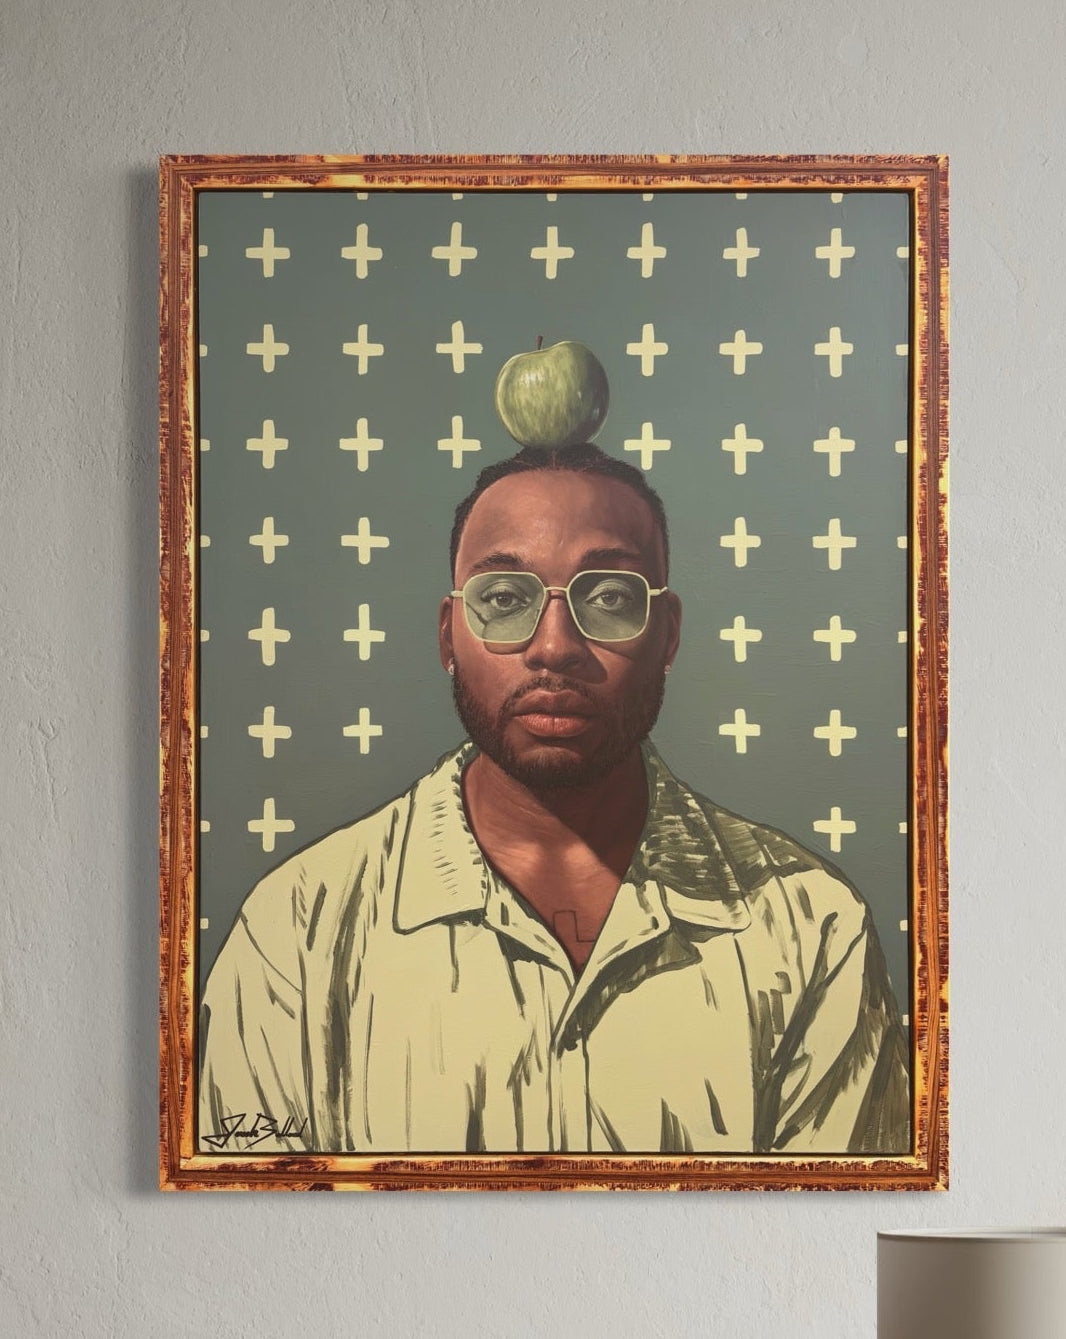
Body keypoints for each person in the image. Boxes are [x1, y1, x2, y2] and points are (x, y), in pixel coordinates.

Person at [199, 444, 909, 1156]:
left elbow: (815, 1245)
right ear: (449, 635)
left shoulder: (811, 927)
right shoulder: (297, 929)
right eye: (505, 599)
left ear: (669, 635)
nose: (555, 646)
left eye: (609, 598)